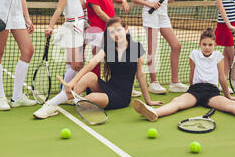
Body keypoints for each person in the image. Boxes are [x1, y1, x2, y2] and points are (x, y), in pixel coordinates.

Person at [132, 28, 235, 128]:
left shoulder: (218, 56)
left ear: (214, 45)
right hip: (195, 91)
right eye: (204, 44)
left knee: (232, 107)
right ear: (199, 44)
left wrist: (228, 95)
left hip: (212, 93)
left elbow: (222, 78)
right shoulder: (194, 54)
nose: (207, 47)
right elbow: (191, 74)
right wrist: (190, 90)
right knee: (177, 102)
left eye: (210, 44)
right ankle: (154, 112)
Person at [33, 17, 162, 119]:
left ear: (126, 29)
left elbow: (141, 75)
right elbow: (91, 64)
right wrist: (72, 82)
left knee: (90, 99)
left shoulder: (136, 47)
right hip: (109, 87)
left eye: (118, 30)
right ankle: (50, 106)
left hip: (122, 96)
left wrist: (148, 101)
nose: (115, 34)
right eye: (112, 32)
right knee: (89, 76)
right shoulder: (108, 48)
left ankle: (73, 98)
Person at [131, 0, 195, 95]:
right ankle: (153, 82)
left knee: (176, 45)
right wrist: (149, 3)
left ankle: (174, 83)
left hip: (163, 16)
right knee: (153, 50)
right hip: (150, 15)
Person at [85, 0, 129, 78]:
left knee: (113, 58)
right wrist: (114, 25)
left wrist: (123, 0)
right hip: (97, 32)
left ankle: (116, 83)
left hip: (109, 31)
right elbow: (99, 12)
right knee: (96, 60)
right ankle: (94, 85)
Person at [46, 0, 86, 81]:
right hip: (72, 29)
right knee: (76, 65)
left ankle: (67, 91)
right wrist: (50, 27)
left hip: (78, 28)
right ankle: (65, 91)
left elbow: (82, 5)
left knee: (71, 63)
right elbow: (59, 10)